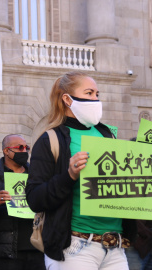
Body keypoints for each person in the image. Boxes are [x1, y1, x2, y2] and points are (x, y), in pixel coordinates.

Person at [25, 71, 136, 270]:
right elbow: (34, 198)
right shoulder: (50, 139)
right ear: (67, 99)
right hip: (76, 247)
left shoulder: (107, 134)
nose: (96, 99)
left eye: (97, 94)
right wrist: (69, 175)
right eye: (89, 93)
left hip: (115, 246)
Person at [0, 134, 46, 270]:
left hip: (37, 248)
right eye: (20, 147)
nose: (24, 151)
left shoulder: (37, 176)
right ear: (6, 151)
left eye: (27, 148)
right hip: (6, 253)